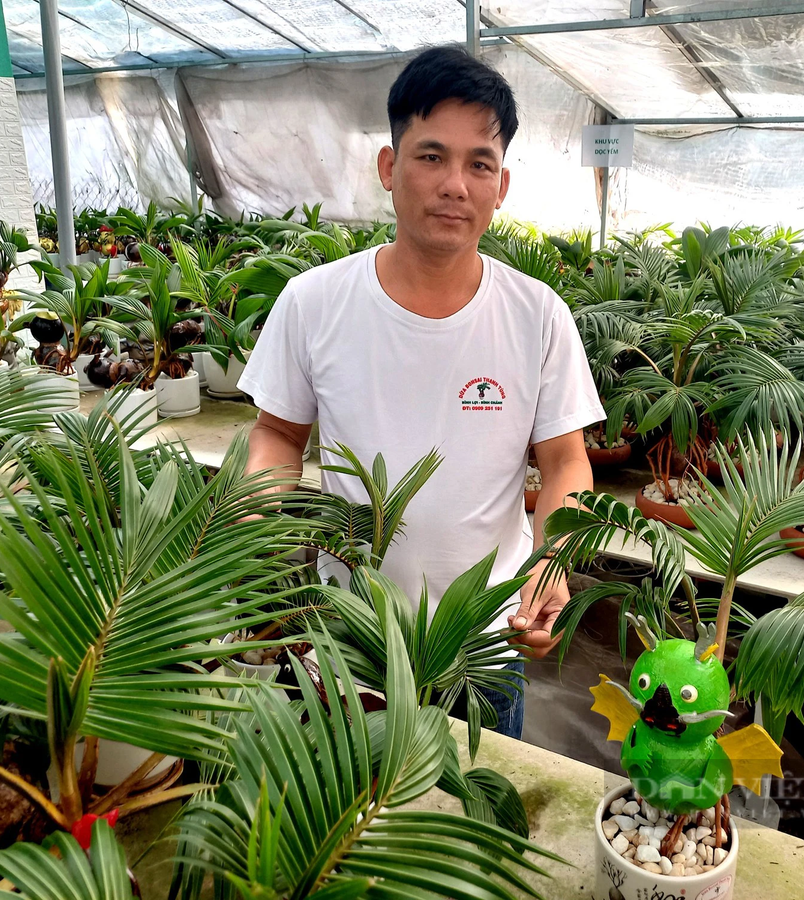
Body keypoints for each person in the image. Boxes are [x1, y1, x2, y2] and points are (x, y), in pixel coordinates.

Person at [238, 45, 604, 739]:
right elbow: (277, 434)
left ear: (502, 185)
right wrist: (256, 533)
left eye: (479, 164)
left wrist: (553, 556)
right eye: (431, 156)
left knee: (469, 829)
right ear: (388, 166)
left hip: (486, 645)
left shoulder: (537, 314)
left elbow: (563, 459)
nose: (455, 185)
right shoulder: (314, 302)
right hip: (350, 638)